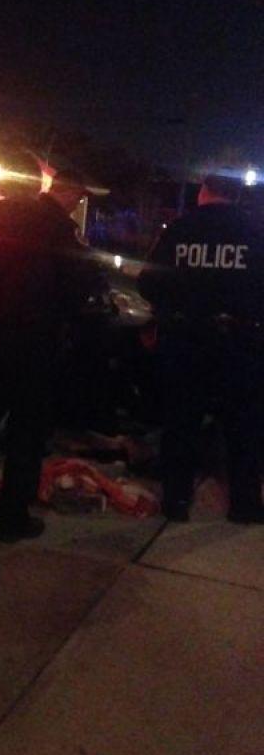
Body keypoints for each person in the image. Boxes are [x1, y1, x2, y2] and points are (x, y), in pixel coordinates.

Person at [0, 171, 103, 542]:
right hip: (34, 343)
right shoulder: (56, 229)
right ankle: (12, 518)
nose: (78, 203)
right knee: (26, 434)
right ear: (66, 191)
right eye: (78, 195)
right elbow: (81, 284)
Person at [137, 172, 264, 522]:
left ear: (204, 193)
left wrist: (178, 304)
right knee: (243, 427)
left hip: (187, 340)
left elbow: (147, 283)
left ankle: (176, 501)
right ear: (237, 196)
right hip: (240, 342)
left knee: (181, 422)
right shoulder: (255, 230)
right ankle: (245, 504)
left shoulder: (181, 229)